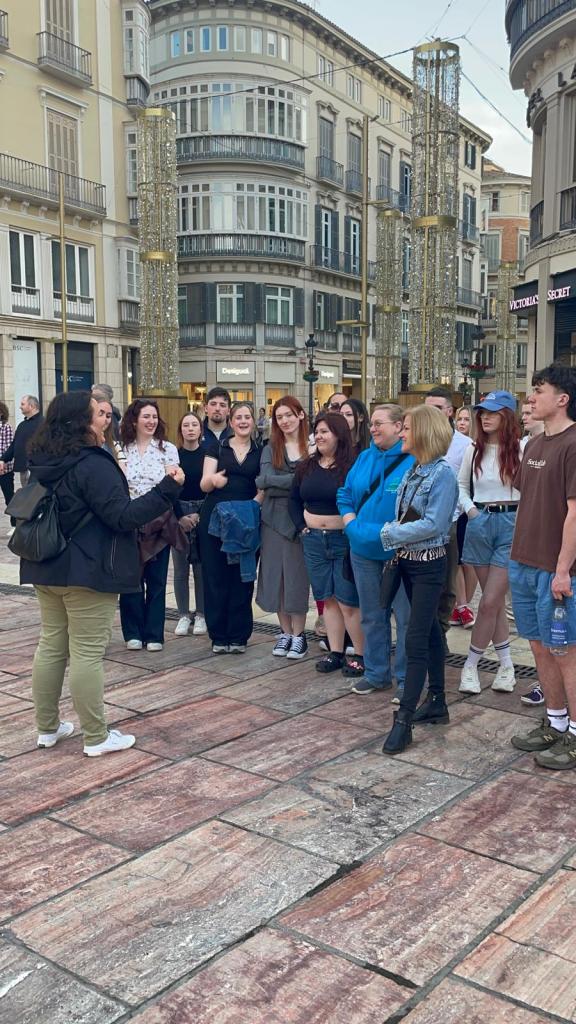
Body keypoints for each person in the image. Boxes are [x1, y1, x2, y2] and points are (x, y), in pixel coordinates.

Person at [21, 390, 183, 756]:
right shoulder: (93, 463)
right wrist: (167, 489)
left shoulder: (44, 459)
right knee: (86, 652)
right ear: (81, 421)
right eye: (98, 413)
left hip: (45, 564)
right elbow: (122, 516)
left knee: (52, 646)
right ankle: (95, 736)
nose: (105, 419)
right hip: (88, 569)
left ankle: (47, 728)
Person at [507, 364, 576, 771]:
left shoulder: (573, 443)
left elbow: (574, 512)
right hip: (524, 562)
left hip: (556, 570)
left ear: (562, 399)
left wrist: (563, 569)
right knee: (537, 645)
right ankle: (555, 721)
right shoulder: (534, 444)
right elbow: (527, 503)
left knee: (565, 651)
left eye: (539, 390)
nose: (531, 397)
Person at [380, 405, 458, 754]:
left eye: (407, 428)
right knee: (428, 632)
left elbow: (435, 524)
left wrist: (389, 533)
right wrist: (396, 533)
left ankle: (404, 720)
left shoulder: (442, 474)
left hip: (429, 565)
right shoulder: (414, 469)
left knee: (414, 637)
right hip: (408, 562)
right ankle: (437, 701)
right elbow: (409, 515)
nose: (401, 433)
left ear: (424, 432)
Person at [338, 404, 413, 697]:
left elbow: (419, 507)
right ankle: (376, 673)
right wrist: (350, 523)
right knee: (371, 615)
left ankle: (406, 679)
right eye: (372, 423)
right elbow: (345, 493)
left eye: (379, 423)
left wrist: (393, 532)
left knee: (405, 619)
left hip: (400, 551)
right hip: (362, 549)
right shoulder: (364, 458)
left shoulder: (414, 459)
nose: (373, 428)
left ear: (398, 426)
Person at [289, 412, 364, 676]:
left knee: (348, 600)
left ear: (339, 435)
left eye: (325, 432)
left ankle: (361, 655)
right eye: (317, 432)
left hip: (343, 540)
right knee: (327, 599)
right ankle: (336, 652)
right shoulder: (306, 467)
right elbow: (294, 500)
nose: (319, 437)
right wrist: (301, 526)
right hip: (313, 541)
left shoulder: (353, 467)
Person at [458, 391, 521, 695]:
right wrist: (471, 511)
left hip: (511, 523)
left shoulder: (522, 448)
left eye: (493, 412)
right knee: (491, 602)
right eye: (482, 412)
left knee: (489, 601)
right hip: (480, 521)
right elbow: (460, 484)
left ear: (507, 415)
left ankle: (470, 665)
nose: (485, 417)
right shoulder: (474, 449)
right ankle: (506, 665)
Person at [199, 402, 262, 653]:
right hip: (216, 519)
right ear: (231, 421)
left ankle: (238, 636)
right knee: (215, 576)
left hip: (247, 519)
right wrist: (213, 480)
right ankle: (218, 635)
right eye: (239, 417)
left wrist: (253, 506)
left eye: (247, 417)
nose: (243, 421)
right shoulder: (217, 447)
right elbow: (204, 484)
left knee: (242, 577)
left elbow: (264, 487)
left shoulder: (262, 451)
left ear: (253, 422)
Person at [119, 399, 180, 652]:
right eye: (146, 416)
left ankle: (154, 633)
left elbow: (174, 481)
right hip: (130, 520)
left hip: (158, 522)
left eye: (154, 417)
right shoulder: (122, 448)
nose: (151, 421)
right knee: (131, 579)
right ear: (134, 420)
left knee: (157, 580)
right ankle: (132, 631)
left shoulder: (167, 449)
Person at [256, 397, 311, 659]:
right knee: (275, 577)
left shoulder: (312, 446)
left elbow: (308, 482)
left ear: (300, 415)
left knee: (296, 577)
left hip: (302, 520)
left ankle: (299, 635)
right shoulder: (270, 447)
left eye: (289, 415)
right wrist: (295, 481)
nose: (285, 421)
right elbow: (263, 481)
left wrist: (275, 482)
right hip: (272, 521)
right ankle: (285, 632)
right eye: (279, 417)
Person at [425, 387, 472, 641]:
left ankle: (440, 634)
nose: (430, 413)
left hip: (451, 521)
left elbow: (469, 484)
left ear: (449, 411)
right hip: (418, 520)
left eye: (436, 408)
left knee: (447, 582)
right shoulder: (416, 439)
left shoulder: (465, 445)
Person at [172, 411, 206, 638]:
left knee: (201, 568)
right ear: (181, 430)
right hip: (179, 511)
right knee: (180, 568)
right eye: (186, 425)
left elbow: (212, 487)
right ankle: (183, 614)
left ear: (200, 429)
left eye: (194, 424)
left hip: (202, 510)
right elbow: (170, 488)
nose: (190, 429)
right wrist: (179, 517)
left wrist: (199, 515)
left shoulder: (208, 455)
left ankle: (202, 614)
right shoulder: (174, 456)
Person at [0, 395, 43, 488]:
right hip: (24, 469)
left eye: (23, 404)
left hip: (38, 469)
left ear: (31, 406)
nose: (20, 407)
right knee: (26, 495)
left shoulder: (44, 423)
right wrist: (3, 459)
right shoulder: (22, 425)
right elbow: (14, 445)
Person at [95, 397, 127, 472]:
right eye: (100, 414)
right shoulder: (78, 445)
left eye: (108, 416)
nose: (105, 419)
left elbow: (122, 474)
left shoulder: (114, 446)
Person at [0, 401, 15, 516]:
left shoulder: (6, 428)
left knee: (9, 499)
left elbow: (8, 447)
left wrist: (2, 461)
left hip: (5, 470)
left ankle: (15, 522)